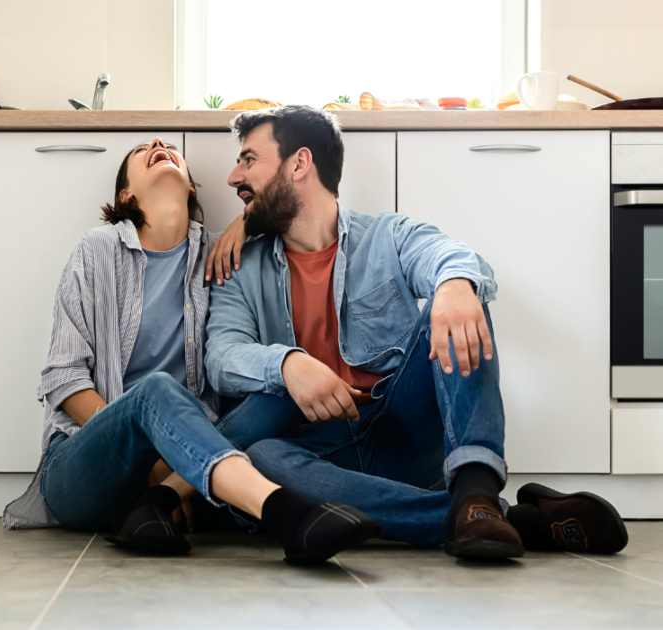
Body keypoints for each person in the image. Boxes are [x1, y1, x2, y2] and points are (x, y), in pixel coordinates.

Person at [199, 105, 629, 559]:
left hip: (403, 432)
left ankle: (477, 483)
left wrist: (455, 286)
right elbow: (221, 356)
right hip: (322, 453)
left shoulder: (387, 235)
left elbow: (450, 255)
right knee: (263, 457)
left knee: (458, 297)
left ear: (299, 164)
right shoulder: (242, 268)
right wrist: (286, 363)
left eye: (249, 159)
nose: (232, 176)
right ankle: (484, 514)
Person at [2, 137, 382, 565]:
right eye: (143, 150)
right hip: (85, 468)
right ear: (126, 194)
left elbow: (299, 212)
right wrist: (157, 466)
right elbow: (64, 379)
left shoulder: (222, 256)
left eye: (168, 149)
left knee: (279, 388)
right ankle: (287, 515)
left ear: (192, 188)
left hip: (189, 465)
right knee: (157, 391)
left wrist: (247, 222)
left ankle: (152, 510)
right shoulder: (98, 249)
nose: (160, 144)